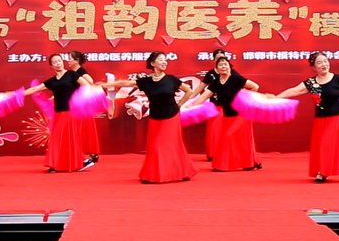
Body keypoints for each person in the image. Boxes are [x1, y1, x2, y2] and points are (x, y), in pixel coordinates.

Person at [101, 51, 198, 183]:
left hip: (171, 116)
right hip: (155, 117)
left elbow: (189, 90)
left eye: (165, 60)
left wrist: (180, 104)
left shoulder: (171, 80)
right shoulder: (146, 81)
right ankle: (179, 171)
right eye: (161, 60)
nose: (164, 62)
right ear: (152, 63)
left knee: (160, 146)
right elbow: (127, 83)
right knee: (158, 147)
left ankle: (158, 175)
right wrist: (106, 85)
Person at [275, 52, 339, 183]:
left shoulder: (338, 79)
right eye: (320, 62)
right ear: (314, 67)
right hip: (321, 119)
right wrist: (276, 97)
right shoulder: (311, 83)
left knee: (326, 144)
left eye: (325, 61)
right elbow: (293, 91)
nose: (324, 64)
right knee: (321, 146)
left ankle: (323, 173)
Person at [25, 54, 92, 173]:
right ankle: (76, 162)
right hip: (59, 112)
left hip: (70, 111)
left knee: (60, 138)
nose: (58, 63)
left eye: (59, 61)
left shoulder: (71, 74)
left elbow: (87, 85)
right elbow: (35, 89)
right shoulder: (52, 81)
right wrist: (18, 95)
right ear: (51, 66)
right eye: (55, 62)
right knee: (64, 139)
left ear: (63, 62)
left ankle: (61, 163)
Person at [192, 56, 262, 171]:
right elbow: (204, 96)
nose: (223, 66)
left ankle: (236, 164)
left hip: (241, 114)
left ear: (230, 67)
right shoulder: (216, 82)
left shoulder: (236, 79)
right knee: (229, 139)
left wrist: (246, 99)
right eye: (220, 65)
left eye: (225, 64)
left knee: (236, 139)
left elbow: (255, 86)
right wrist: (193, 106)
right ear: (217, 69)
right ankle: (251, 162)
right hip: (227, 114)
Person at [189, 49, 232, 161]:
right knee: (214, 130)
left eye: (223, 59)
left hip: (229, 106)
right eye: (218, 59)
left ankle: (228, 153)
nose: (222, 63)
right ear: (214, 61)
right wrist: (190, 99)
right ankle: (213, 154)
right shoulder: (211, 74)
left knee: (229, 130)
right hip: (215, 106)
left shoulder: (233, 73)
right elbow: (200, 89)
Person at [68, 51, 100, 165]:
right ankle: (88, 154)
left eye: (70, 58)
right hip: (76, 105)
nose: (68, 61)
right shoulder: (72, 73)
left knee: (83, 130)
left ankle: (89, 154)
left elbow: (90, 81)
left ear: (76, 60)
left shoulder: (80, 72)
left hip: (82, 105)